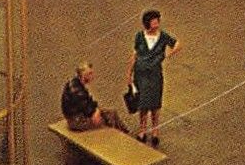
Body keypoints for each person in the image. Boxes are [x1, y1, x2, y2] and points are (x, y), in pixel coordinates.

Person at [127, 10, 177, 147]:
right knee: (142, 103)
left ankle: (155, 130)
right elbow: (134, 54)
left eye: (157, 20)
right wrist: (129, 74)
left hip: (155, 75)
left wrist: (169, 54)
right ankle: (142, 129)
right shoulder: (139, 36)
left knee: (155, 103)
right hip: (140, 74)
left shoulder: (163, 36)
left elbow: (177, 43)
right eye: (154, 20)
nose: (157, 23)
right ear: (147, 22)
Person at [60, 61, 129, 134]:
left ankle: (124, 133)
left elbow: (89, 101)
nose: (92, 76)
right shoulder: (75, 87)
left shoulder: (78, 84)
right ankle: (119, 137)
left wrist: (96, 109)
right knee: (106, 121)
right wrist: (94, 112)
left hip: (80, 115)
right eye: (90, 73)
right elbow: (84, 104)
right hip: (76, 120)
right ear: (84, 75)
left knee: (112, 113)